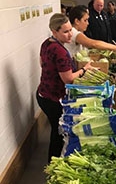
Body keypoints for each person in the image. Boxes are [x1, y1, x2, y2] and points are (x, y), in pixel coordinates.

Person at [36, 13, 93, 163]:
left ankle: (54, 160)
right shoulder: (60, 51)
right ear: (54, 32)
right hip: (53, 98)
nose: (70, 35)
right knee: (58, 132)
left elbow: (42, 63)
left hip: (43, 92)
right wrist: (84, 69)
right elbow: (68, 78)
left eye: (70, 30)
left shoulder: (46, 43)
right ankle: (53, 163)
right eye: (65, 32)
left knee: (56, 128)